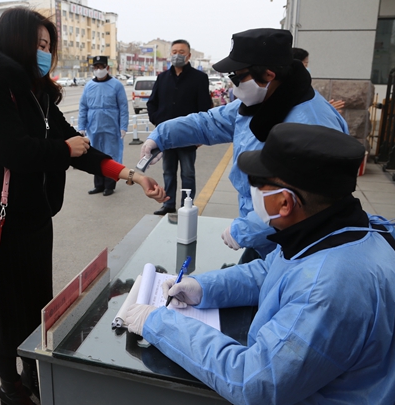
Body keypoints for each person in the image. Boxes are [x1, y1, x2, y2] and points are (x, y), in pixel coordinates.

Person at [125, 123, 395, 405]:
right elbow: (272, 269)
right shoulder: (348, 228)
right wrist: (203, 287)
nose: (252, 192)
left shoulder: (327, 287)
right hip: (341, 398)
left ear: (285, 202)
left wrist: (159, 323)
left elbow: (254, 382)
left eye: (258, 184)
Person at [0, 7, 167, 405]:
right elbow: (15, 151)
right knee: (7, 311)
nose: (45, 53)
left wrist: (131, 174)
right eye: (39, 44)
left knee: (37, 305)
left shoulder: (37, 95)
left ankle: (31, 372)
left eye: (49, 46)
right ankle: (9, 385)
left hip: (34, 219)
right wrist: (62, 150)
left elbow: (76, 145)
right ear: (16, 42)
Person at [142, 29, 349, 259]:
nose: (234, 86)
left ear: (268, 74)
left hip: (293, 246)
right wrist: (161, 136)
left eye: (238, 77)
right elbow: (209, 122)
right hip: (263, 232)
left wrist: (247, 229)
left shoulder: (312, 125)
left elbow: (305, 203)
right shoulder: (264, 100)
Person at [146, 39, 212, 215]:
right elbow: (152, 103)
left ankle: (186, 206)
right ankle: (168, 204)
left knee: (188, 173)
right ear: (170, 54)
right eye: (174, 52)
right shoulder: (162, 78)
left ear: (189, 56)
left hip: (189, 136)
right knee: (168, 171)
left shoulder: (199, 78)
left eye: (181, 52)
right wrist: (158, 123)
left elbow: (205, 108)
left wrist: (200, 134)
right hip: (167, 137)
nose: (177, 55)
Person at [78, 55, 129, 196]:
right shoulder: (89, 86)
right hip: (94, 127)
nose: (99, 69)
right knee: (96, 156)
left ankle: (109, 185)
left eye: (101, 67)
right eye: (96, 67)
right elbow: (83, 107)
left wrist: (123, 127)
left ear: (107, 68)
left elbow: (123, 108)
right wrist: (81, 127)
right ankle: (99, 185)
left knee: (110, 155)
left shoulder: (116, 85)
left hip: (111, 127)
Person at [291, 47, 345, 114]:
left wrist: (324, 108)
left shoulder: (304, 88)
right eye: (305, 64)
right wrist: (324, 111)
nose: (307, 68)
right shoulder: (294, 90)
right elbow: (301, 114)